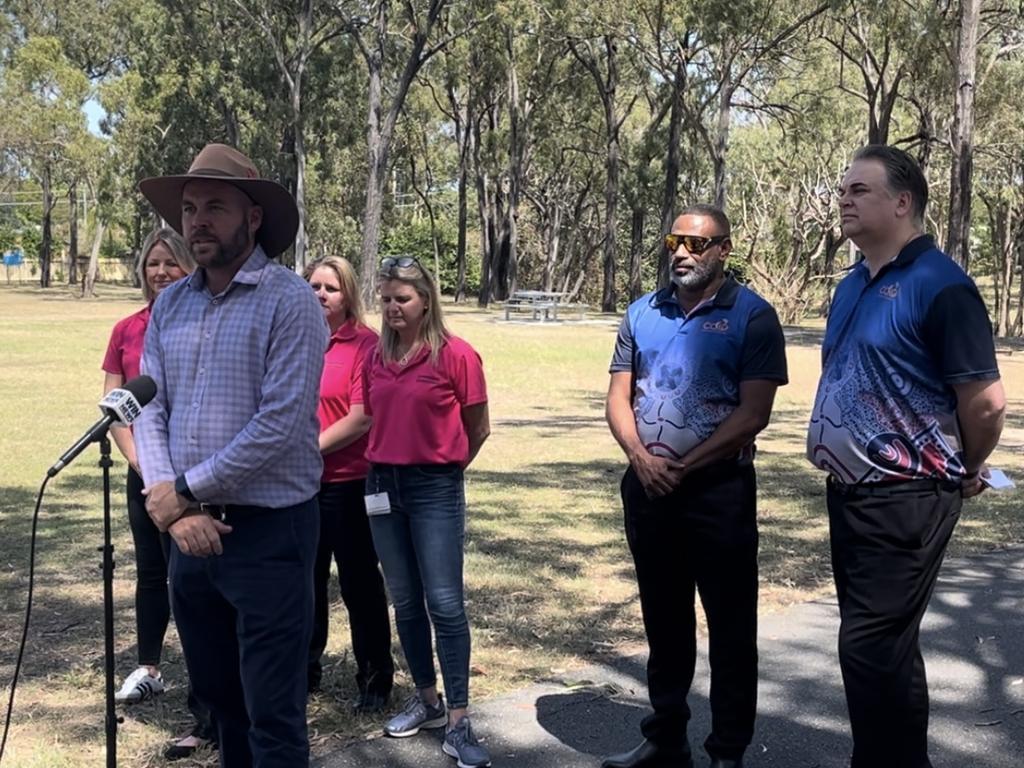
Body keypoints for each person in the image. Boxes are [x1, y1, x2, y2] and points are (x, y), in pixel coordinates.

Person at [807, 145, 1006, 768]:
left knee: (868, 645)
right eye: (843, 189)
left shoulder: (941, 286)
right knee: (882, 648)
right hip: (850, 493)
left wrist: (965, 469)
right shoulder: (849, 285)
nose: (844, 198)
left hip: (908, 496)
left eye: (859, 189)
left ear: (902, 201)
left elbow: (986, 402)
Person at [134, 143, 327, 768]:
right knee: (221, 705)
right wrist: (175, 509)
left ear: (252, 216)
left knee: (272, 713)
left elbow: (278, 426)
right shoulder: (170, 304)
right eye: (190, 208)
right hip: (189, 535)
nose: (197, 221)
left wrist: (179, 490)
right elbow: (151, 409)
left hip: (269, 534)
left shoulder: (289, 300)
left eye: (215, 206)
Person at [604, 205, 788, 768]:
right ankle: (666, 737)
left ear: (723, 250)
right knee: (664, 619)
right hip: (648, 491)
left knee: (731, 626)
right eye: (673, 241)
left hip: (719, 495)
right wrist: (641, 457)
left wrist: (685, 465)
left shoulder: (753, 316)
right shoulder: (642, 312)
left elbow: (754, 411)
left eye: (697, 244)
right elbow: (618, 396)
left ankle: (727, 751)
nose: (682, 253)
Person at [363, 256, 492, 768]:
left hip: (434, 487)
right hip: (380, 485)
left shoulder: (456, 355)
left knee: (444, 602)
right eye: (387, 299)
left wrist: (446, 470)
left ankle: (459, 721)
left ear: (426, 301)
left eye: (404, 299)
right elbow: (371, 416)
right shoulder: (374, 356)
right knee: (406, 601)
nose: (394, 308)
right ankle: (428, 699)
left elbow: (477, 426)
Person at [102, 228, 216, 760]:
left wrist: (171, 480)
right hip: (144, 470)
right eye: (153, 264)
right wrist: (145, 469)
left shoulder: (197, 318)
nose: (161, 272)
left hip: (189, 476)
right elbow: (115, 404)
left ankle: (208, 703)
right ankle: (149, 669)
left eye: (171, 263)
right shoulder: (127, 328)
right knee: (151, 573)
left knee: (188, 582)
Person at [303, 255, 394, 708]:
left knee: (359, 584)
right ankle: (305, 670)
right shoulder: (296, 337)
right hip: (299, 485)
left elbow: (362, 418)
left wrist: (304, 450)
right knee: (305, 581)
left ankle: (375, 678)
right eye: (315, 286)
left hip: (350, 483)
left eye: (331, 288)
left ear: (348, 294)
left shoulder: (365, 345)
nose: (321, 295)